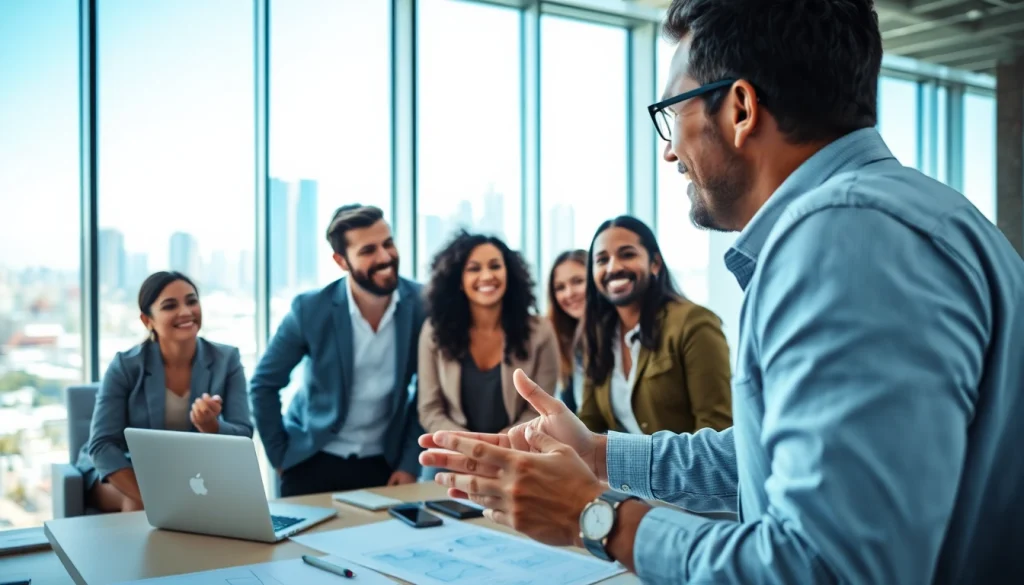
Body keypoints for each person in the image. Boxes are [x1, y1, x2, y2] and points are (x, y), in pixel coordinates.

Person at [418, 0, 1024, 583]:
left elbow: (830, 569)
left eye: (672, 112)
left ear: (739, 108)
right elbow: (770, 459)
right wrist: (596, 452)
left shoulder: (842, 239)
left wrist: (595, 517)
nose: (668, 149)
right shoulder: (910, 212)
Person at [249, 204, 424, 497]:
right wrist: (280, 457)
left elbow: (427, 392)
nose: (385, 257)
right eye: (368, 250)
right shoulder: (310, 309)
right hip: (311, 458)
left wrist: (409, 464)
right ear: (341, 261)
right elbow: (263, 384)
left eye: (388, 244)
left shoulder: (422, 304)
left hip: (386, 464)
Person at [75, 271, 253, 513]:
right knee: (137, 505)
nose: (186, 311)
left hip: (188, 472)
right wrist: (154, 499)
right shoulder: (125, 366)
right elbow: (102, 445)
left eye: (192, 301)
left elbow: (244, 433)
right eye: (170, 306)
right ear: (147, 320)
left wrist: (210, 425)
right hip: (123, 467)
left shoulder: (227, 360)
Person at [580, 215, 731, 435]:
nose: (613, 267)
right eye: (602, 260)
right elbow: (589, 422)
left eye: (627, 254)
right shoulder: (599, 333)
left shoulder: (694, 323)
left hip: (681, 469)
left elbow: (716, 428)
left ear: (655, 264)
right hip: (615, 469)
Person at [417, 232, 559, 453]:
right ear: (459, 281)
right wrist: (466, 444)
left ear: (508, 274)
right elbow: (430, 409)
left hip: (518, 447)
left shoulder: (540, 331)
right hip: (453, 447)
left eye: (495, 266)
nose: (487, 276)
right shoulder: (433, 332)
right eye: (474, 269)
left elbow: (539, 408)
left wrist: (501, 444)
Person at [546, 249, 587, 413]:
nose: (569, 293)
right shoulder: (567, 342)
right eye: (560, 287)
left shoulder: (618, 337)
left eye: (578, 281)